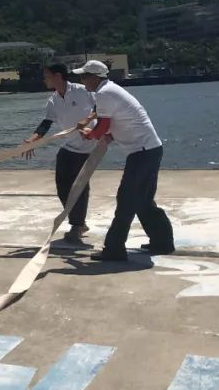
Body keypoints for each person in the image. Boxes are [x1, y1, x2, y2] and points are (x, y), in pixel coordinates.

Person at [73, 60, 175, 262]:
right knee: (143, 201)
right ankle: (162, 242)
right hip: (150, 149)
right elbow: (116, 123)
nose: (82, 80)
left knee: (126, 200)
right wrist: (106, 135)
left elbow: (102, 127)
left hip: (142, 152)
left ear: (94, 77)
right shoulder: (109, 90)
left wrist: (89, 134)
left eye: (84, 76)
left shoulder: (104, 93)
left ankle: (114, 249)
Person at [23, 62, 98, 245]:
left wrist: (87, 120)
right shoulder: (53, 100)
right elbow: (45, 124)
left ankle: (77, 225)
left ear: (58, 76)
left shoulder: (82, 91)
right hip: (70, 144)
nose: (44, 80)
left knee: (79, 185)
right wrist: (31, 141)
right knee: (62, 184)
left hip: (90, 143)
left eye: (47, 76)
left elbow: (101, 108)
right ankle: (78, 221)